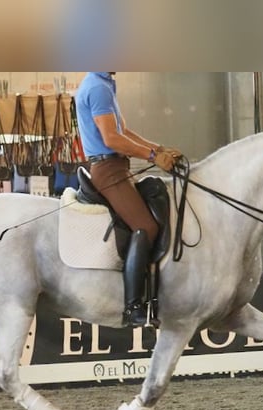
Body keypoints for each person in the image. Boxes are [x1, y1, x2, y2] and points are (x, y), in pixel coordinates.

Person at [75, 72, 182, 327]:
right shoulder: (98, 88)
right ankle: (133, 306)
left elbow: (125, 131)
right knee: (145, 228)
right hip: (109, 170)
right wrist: (152, 157)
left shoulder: (104, 84)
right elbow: (111, 139)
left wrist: (158, 149)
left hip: (118, 167)